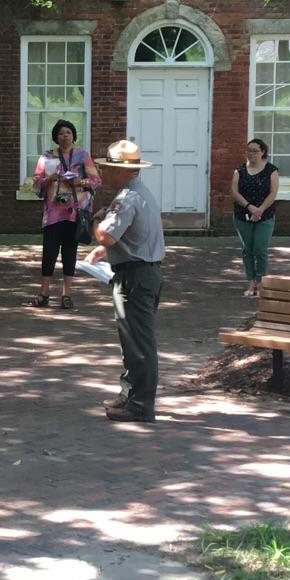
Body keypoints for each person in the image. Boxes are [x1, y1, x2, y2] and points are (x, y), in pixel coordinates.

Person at [88, 140, 166, 423]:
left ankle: (141, 405)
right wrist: (107, 249)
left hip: (135, 278)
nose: (104, 172)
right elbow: (131, 237)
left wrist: (96, 221)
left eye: (108, 167)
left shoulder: (127, 198)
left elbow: (106, 235)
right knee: (132, 341)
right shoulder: (141, 193)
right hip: (143, 274)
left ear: (121, 170)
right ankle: (130, 394)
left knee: (139, 344)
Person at [28, 120, 101, 310]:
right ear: (55, 137)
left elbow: (95, 181)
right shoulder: (47, 157)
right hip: (53, 213)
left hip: (74, 213)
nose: (65, 136)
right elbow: (35, 183)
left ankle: (66, 294)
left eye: (68, 132)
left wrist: (78, 182)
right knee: (49, 253)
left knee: (70, 253)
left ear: (73, 136)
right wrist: (49, 179)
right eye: (61, 133)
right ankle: (44, 294)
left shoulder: (83, 156)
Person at [230, 138, 280, 297]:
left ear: (263, 152)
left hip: (265, 216)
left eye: (255, 151)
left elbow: (273, 193)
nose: (251, 154)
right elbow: (235, 192)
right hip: (242, 215)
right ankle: (250, 282)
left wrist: (260, 210)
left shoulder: (271, 170)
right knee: (247, 250)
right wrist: (249, 207)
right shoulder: (239, 171)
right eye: (249, 150)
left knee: (260, 249)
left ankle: (260, 282)